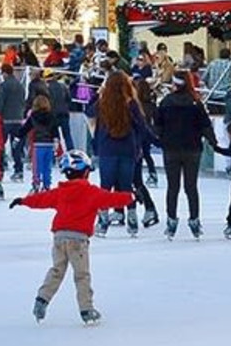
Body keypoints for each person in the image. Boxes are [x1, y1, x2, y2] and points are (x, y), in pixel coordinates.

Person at [9, 150, 134, 326]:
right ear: (86, 172)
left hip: (59, 238)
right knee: (82, 275)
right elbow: (113, 198)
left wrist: (23, 201)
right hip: (78, 241)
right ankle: (86, 310)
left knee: (57, 271)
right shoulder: (92, 192)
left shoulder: (60, 192)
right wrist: (132, 197)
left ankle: (42, 299)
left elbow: (41, 199)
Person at [89, 73, 157, 237]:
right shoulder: (131, 103)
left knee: (105, 187)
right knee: (126, 186)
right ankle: (132, 220)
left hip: (108, 150)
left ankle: (103, 222)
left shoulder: (103, 103)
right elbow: (142, 127)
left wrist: (98, 94)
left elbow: (89, 112)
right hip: (127, 149)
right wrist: (156, 141)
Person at [154, 71, 216, 240]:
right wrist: (213, 142)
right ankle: (194, 219)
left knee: (172, 187)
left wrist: (159, 140)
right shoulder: (195, 102)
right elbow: (205, 125)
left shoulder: (166, 102)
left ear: (175, 84)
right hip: (192, 149)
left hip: (171, 149)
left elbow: (158, 126)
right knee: (191, 186)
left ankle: (171, 220)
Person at [17, 95, 57, 193]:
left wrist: (18, 137)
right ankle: (47, 186)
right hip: (49, 144)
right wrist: (56, 140)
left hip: (38, 144)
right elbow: (54, 130)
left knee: (37, 167)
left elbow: (25, 128)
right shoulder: (52, 116)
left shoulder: (34, 116)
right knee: (47, 167)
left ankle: (36, 184)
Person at [0, 64, 26, 180]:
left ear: (5, 73)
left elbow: (1, 102)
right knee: (16, 146)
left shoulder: (4, 86)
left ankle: (0, 169)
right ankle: (18, 170)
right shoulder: (20, 85)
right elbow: (23, 101)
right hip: (18, 119)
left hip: (5, 120)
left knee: (0, 145)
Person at [45, 69, 74, 151]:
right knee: (67, 135)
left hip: (53, 114)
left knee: (54, 136)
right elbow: (69, 99)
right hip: (64, 113)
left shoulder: (46, 88)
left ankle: (55, 153)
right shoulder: (63, 86)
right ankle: (71, 152)